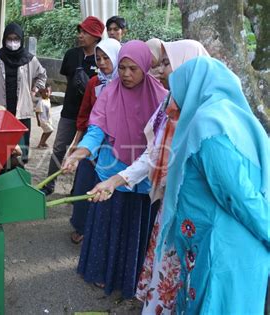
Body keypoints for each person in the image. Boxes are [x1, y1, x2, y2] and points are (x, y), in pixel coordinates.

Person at [88, 39, 210, 313]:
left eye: (167, 63)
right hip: (168, 203)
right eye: (161, 63)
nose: (161, 70)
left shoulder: (206, 114)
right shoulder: (171, 105)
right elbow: (155, 154)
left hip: (193, 212)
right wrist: (113, 178)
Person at [63, 40, 168, 298]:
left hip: (144, 175)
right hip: (111, 169)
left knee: (134, 227)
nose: (126, 74)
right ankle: (101, 273)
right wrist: (80, 152)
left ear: (145, 67)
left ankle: (130, 278)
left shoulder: (163, 98)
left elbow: (157, 147)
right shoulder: (110, 92)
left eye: (133, 69)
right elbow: (96, 129)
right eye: (122, 68)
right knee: (108, 225)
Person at [164, 56, 267, 314]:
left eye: (175, 91)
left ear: (194, 86)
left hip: (224, 252)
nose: (171, 103)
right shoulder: (233, 117)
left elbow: (238, 195)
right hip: (229, 246)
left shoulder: (208, 124)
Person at [41, 16, 105, 195]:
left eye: (85, 32)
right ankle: (49, 185)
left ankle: (77, 189)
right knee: (59, 147)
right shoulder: (71, 55)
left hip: (93, 115)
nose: (81, 35)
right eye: (80, 31)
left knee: (84, 151)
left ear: (96, 36)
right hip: (69, 111)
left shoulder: (101, 59)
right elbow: (69, 82)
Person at [67, 38, 122, 244]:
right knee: (84, 185)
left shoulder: (125, 85)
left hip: (115, 147)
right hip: (92, 142)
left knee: (105, 189)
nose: (101, 63)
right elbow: (85, 114)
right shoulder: (94, 82)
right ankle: (80, 226)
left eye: (106, 58)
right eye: (98, 58)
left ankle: (99, 232)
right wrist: (77, 142)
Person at [0, 22, 47, 164]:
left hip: (21, 108)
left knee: (20, 150)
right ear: (4, 39)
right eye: (9, 38)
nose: (13, 42)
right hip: (0, 108)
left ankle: (19, 174)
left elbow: (42, 75)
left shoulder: (29, 59)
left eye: (16, 39)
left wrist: (35, 89)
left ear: (21, 39)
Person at [34, 83, 53, 149]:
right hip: (43, 120)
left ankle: (40, 143)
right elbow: (37, 112)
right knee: (50, 130)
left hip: (48, 120)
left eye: (47, 91)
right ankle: (42, 142)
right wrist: (38, 121)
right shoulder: (41, 102)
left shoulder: (48, 100)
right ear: (41, 93)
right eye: (44, 92)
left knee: (45, 132)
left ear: (50, 92)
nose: (46, 93)